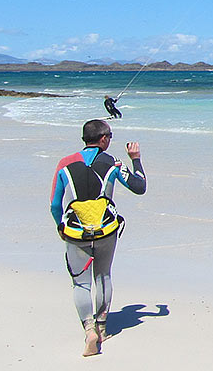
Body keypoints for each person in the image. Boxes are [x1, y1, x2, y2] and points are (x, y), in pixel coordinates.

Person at [50, 119, 146, 357]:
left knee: (80, 283)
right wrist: (135, 159)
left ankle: (89, 329)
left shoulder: (64, 164)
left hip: (76, 232)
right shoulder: (113, 163)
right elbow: (140, 186)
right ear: (103, 139)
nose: (110, 140)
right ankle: (102, 328)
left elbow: (54, 205)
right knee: (103, 276)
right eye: (110, 136)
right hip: (105, 231)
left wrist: (61, 226)